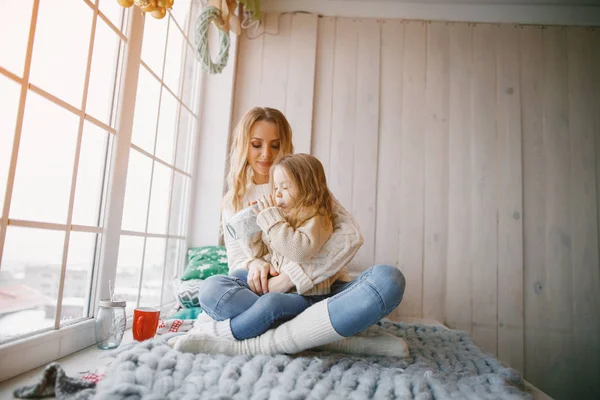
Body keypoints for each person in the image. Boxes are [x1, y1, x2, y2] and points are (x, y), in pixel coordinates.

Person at [170, 107, 407, 357]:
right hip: (267, 289)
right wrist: (255, 263)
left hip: (318, 289)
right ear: (243, 146)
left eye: (275, 145)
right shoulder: (234, 201)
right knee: (212, 290)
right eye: (256, 144)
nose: (266, 154)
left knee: (387, 280)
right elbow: (237, 259)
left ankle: (257, 340)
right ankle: (324, 336)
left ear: (285, 146)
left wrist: (290, 278)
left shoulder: (305, 187)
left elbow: (349, 238)